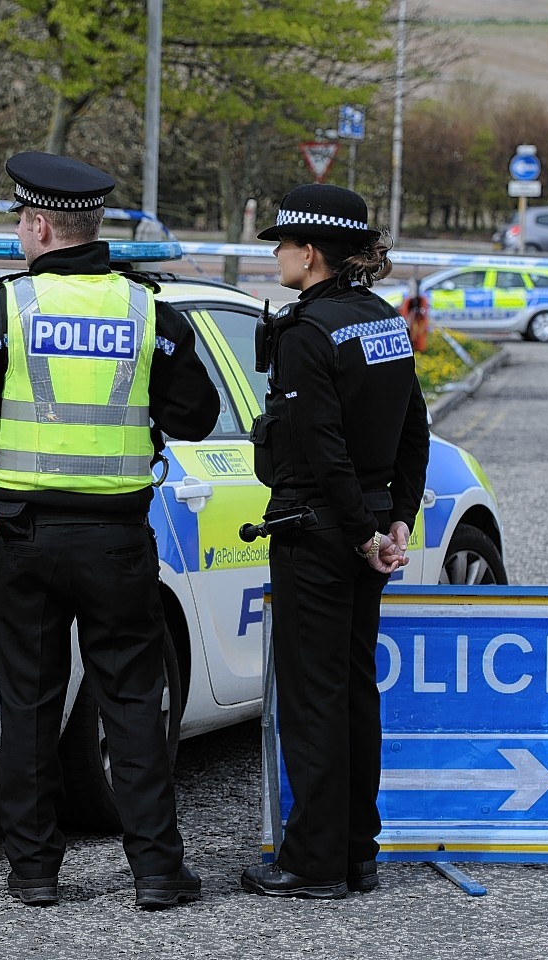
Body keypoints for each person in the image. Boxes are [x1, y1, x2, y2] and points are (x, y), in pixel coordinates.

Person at [0, 152, 220, 910]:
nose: (19, 232)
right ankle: (155, 869)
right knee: (132, 699)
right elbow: (197, 416)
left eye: (22, 221)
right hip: (118, 538)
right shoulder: (149, 311)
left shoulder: (8, 310)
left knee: (29, 703)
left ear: (40, 225)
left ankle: (33, 871)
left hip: (26, 538)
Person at [239, 183, 430, 900]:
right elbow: (415, 429)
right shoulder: (383, 320)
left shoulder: (307, 333)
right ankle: (356, 852)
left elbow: (319, 446)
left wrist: (357, 533)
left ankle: (312, 864)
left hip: (319, 532)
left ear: (311, 253)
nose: (277, 257)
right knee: (353, 693)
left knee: (313, 702)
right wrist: (395, 521)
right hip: (366, 525)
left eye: (282, 245)